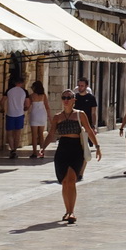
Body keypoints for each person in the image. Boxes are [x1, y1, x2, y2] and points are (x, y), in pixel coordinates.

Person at [42, 89, 101, 224]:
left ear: (74, 100)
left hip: (76, 149)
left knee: (72, 179)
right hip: (63, 149)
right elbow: (51, 134)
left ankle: (71, 211)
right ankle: (67, 210)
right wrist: (43, 148)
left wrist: (97, 147)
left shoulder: (80, 115)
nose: (66, 100)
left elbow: (89, 131)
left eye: (69, 97)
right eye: (64, 98)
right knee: (64, 181)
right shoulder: (57, 117)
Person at [0, 75, 29, 159]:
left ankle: (12, 149)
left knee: (9, 133)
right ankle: (15, 150)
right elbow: (27, 104)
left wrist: (2, 108)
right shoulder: (24, 91)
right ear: (21, 83)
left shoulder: (9, 91)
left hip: (10, 114)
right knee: (17, 134)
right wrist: (24, 108)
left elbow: (2, 101)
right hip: (20, 114)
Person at [27, 81, 51, 159]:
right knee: (41, 135)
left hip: (34, 114)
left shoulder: (31, 96)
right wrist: (50, 117)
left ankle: (34, 152)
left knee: (34, 135)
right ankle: (42, 151)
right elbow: (47, 107)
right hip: (42, 115)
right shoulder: (43, 96)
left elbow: (27, 105)